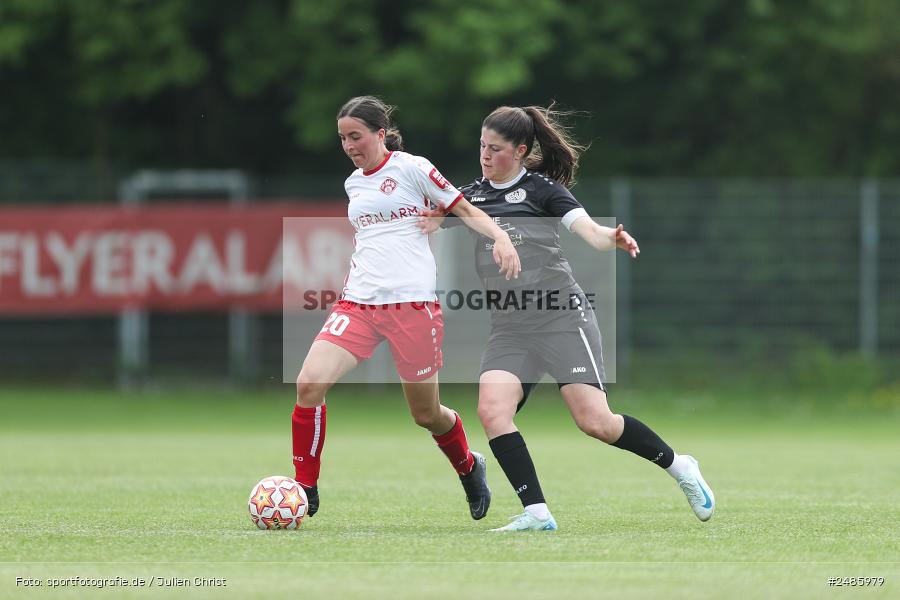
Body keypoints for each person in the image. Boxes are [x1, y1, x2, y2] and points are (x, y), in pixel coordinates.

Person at [419, 105, 715, 531]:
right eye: (481, 145)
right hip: (511, 327)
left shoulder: (543, 190)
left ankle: (679, 465)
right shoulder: (472, 198)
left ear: (520, 151)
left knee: (595, 422)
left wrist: (609, 237)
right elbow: (429, 216)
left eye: (496, 148)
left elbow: (589, 231)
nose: (484, 155)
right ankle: (537, 514)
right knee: (492, 411)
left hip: (560, 317)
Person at [291, 96, 521, 521]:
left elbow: (465, 209)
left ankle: (469, 466)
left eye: (356, 136)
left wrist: (500, 237)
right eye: (342, 138)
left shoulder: (413, 168)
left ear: (381, 133)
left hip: (413, 307)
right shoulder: (353, 183)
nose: (349, 146)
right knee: (309, 384)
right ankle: (305, 487)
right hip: (357, 303)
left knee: (426, 414)